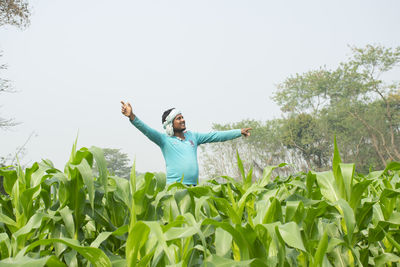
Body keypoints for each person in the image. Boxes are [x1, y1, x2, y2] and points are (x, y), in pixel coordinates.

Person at [120, 101, 252, 185]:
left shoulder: (192, 137)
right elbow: (147, 130)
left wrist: (238, 132)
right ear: (169, 124)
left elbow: (215, 136)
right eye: (178, 118)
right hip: (175, 188)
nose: (183, 120)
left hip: (194, 187)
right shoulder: (164, 140)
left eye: (182, 117)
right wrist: (132, 116)